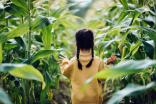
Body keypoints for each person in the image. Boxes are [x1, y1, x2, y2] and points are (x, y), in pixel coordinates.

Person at [59, 29, 116, 104]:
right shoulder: (98, 61)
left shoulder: (73, 62)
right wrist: (106, 63)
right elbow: (103, 77)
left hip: (77, 101)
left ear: (77, 44)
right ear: (92, 43)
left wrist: (65, 62)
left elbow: (65, 71)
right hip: (94, 100)